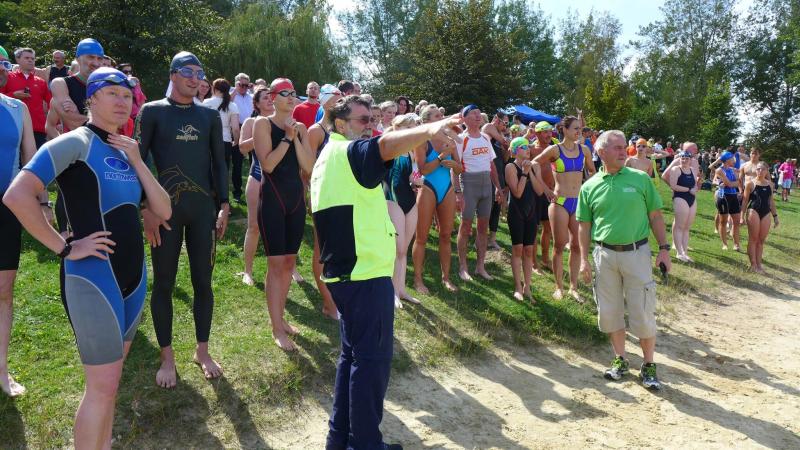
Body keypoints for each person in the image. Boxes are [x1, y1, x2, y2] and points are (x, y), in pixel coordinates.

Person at [4, 66, 171, 446]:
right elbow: (16, 195)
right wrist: (64, 247)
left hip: (133, 278)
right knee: (101, 387)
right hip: (92, 278)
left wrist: (138, 161)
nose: (122, 101)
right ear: (91, 99)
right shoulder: (74, 143)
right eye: (112, 93)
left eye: (127, 96)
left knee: (110, 385)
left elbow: (163, 210)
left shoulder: (126, 149)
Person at [310, 94, 460, 450]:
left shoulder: (329, 155)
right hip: (364, 275)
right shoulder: (348, 151)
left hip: (348, 274)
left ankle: (341, 440)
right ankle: (365, 444)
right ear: (340, 123)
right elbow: (384, 145)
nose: (370, 126)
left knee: (352, 359)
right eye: (363, 120)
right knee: (371, 364)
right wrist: (429, 129)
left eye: (372, 119)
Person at [136, 51, 230, 388]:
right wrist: (145, 207)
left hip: (203, 210)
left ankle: (202, 351)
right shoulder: (152, 112)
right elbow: (138, 161)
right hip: (165, 212)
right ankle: (167, 356)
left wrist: (224, 204)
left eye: (199, 73)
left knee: (203, 281)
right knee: (164, 282)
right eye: (187, 72)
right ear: (172, 75)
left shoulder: (209, 116)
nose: (194, 78)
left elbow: (219, 163)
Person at [577, 130, 671, 391]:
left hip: (637, 253)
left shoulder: (640, 179)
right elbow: (584, 225)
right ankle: (620, 359)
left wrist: (664, 249)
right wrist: (583, 259)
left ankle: (648, 364)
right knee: (610, 311)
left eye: (623, 147)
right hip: (604, 255)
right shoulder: (589, 186)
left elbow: (655, 216)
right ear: (601, 152)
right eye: (617, 147)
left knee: (642, 310)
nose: (623, 151)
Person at [253, 78, 315, 351]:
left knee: (289, 262)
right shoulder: (263, 124)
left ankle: (281, 318)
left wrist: (297, 135)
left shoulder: (301, 128)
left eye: (293, 93)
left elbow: (309, 166)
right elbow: (268, 164)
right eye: (284, 93)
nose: (291, 97)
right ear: (272, 97)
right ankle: (276, 327)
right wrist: (288, 138)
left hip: (296, 201)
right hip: (272, 201)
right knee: (276, 264)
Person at [0, 58, 39, 397]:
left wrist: (43, 203)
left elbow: (31, 160)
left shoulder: (17, 108)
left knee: (4, 290)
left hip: (6, 208)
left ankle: (1, 369)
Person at [533, 115, 596, 301]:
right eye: (575, 128)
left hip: (578, 202)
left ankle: (573, 287)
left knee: (576, 246)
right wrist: (545, 189)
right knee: (559, 246)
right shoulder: (555, 149)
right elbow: (534, 163)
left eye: (580, 128)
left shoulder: (584, 150)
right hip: (559, 202)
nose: (579, 131)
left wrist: (588, 187)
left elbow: (592, 171)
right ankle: (558, 286)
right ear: (565, 130)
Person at [412, 104, 462, 294]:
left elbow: (460, 168)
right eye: (436, 116)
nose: (441, 118)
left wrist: (454, 165)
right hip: (428, 188)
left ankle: (446, 278)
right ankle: (418, 280)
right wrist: (442, 156)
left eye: (441, 115)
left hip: (446, 188)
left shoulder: (450, 139)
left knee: (446, 235)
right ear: (426, 121)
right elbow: (423, 170)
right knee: (422, 237)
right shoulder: (421, 140)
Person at [455, 105, 502, 282]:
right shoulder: (461, 139)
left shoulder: (485, 137)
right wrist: (457, 192)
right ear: (465, 118)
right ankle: (463, 267)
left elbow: (491, 165)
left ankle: (480, 267)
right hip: (469, 184)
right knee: (465, 226)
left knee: (483, 227)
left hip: (486, 186)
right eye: (473, 113)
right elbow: (454, 168)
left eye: (478, 113)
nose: (477, 116)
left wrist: (498, 187)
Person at [383, 114, 422, 305]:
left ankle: (401, 289)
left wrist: (417, 181)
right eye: (408, 127)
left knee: (404, 249)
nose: (411, 131)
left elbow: (413, 175)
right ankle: (392, 292)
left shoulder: (410, 151)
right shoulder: (388, 148)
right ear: (397, 128)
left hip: (410, 200)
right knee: (397, 248)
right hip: (392, 200)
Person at [236, 87, 271, 286]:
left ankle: (290, 267)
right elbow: (242, 147)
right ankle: (248, 271)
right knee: (254, 226)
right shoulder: (251, 122)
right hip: (257, 177)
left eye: (271, 97)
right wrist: (261, 132)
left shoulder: (282, 122)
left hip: (279, 180)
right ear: (256, 103)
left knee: (281, 226)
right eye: (265, 98)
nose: (270, 100)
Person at [505, 137, 544, 302]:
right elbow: (518, 193)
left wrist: (531, 172)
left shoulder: (534, 166)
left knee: (529, 250)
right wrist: (524, 172)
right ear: (515, 151)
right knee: (517, 250)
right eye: (523, 147)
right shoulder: (510, 167)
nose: (528, 149)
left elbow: (540, 191)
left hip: (531, 213)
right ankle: (518, 287)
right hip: (516, 213)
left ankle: (527, 287)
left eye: (528, 146)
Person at [1, 48, 52, 149]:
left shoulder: (41, 82)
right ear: (18, 59)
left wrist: (55, 123)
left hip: (37, 129)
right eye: (27, 58)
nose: (30, 61)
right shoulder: (7, 77)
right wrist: (13, 95)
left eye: (32, 59)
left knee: (35, 158)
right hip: (13, 127)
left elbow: (51, 102)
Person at [203, 79, 240, 200]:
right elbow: (235, 128)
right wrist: (236, 141)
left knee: (208, 170)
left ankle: (209, 199)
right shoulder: (232, 105)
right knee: (223, 171)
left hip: (207, 141)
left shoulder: (205, 103)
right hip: (225, 141)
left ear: (214, 89)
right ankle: (223, 200)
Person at [741, 162, 779, 273]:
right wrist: (742, 216)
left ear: (767, 171)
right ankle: (753, 265)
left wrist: (775, 216)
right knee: (753, 238)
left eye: (762, 169)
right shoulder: (750, 184)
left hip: (766, 213)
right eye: (758, 169)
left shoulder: (770, 184)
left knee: (761, 240)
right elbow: (745, 201)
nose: (760, 171)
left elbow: (771, 202)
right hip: (753, 211)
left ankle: (759, 265)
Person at [529, 121, 556, 273]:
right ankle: (534, 263)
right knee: (534, 228)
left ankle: (545, 259)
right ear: (538, 133)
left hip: (550, 192)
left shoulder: (553, 149)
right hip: (535, 193)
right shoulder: (531, 149)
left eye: (550, 132)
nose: (548, 135)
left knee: (548, 227)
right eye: (545, 132)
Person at [482, 111, 509, 251]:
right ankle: (482, 238)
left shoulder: (500, 134)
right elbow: (504, 142)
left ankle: (492, 239)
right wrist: (507, 142)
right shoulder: (488, 127)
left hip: (499, 172)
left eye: (507, 124)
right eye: (505, 123)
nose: (506, 126)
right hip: (488, 172)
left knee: (497, 206)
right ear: (496, 119)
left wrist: (508, 149)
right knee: (487, 206)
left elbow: (505, 157)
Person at [666, 151, 698, 262]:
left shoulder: (692, 170)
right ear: (679, 159)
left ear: (690, 160)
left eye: (686, 159)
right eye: (682, 158)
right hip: (680, 198)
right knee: (680, 226)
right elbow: (673, 186)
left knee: (687, 227)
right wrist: (689, 190)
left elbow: (695, 184)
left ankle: (685, 253)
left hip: (692, 199)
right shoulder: (676, 169)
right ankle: (679, 253)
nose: (684, 160)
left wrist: (695, 189)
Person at [230, 73, 253, 203]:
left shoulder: (251, 97)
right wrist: (236, 90)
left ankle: (256, 188)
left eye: (246, 85)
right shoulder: (231, 95)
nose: (244, 87)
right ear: (236, 84)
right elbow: (226, 103)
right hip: (237, 129)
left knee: (254, 161)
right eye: (241, 84)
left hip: (252, 128)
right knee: (237, 163)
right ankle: (237, 192)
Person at [714, 152, 742, 251]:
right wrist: (733, 183)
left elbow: (738, 183)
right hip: (723, 197)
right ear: (727, 160)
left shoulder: (732, 170)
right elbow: (730, 184)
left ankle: (736, 244)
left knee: (736, 222)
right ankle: (724, 244)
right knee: (723, 221)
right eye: (732, 158)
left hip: (733, 196)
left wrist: (732, 183)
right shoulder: (719, 170)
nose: (734, 160)